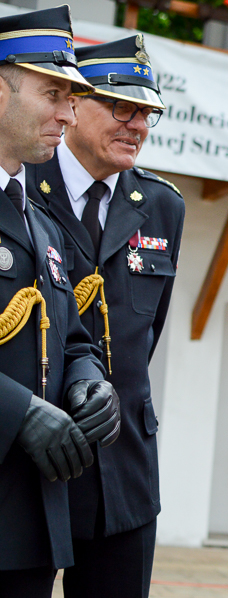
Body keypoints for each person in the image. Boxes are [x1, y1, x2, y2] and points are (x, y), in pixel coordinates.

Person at [25, 34, 183, 598]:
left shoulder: (163, 206)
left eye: (147, 114)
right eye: (121, 106)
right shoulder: (22, 188)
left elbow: (147, 333)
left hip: (126, 470)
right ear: (72, 104)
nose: (136, 125)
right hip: (33, 460)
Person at [0, 7, 120, 598]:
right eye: (54, 94)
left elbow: (68, 334)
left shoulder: (38, 219)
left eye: (73, 99)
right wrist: (17, 411)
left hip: (29, 521)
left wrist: (86, 380)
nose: (69, 114)